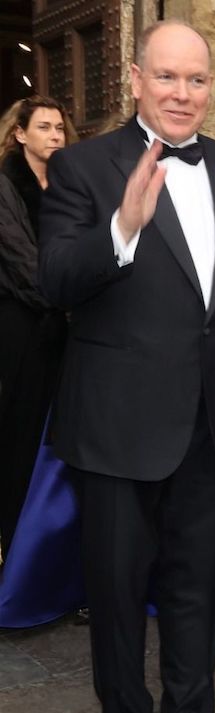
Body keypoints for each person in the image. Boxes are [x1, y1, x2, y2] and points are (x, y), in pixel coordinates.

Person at [38, 20, 215, 713]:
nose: (182, 93)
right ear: (135, 79)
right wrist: (122, 229)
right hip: (118, 426)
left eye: (196, 79)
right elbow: (54, 280)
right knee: (119, 595)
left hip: (212, 423)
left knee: (201, 592)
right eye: (167, 76)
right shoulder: (83, 166)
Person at [0, 95, 83, 627]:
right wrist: (74, 298)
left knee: (63, 452)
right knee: (22, 445)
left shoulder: (70, 187)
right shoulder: (5, 187)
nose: (55, 135)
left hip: (68, 331)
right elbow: (21, 262)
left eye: (59, 128)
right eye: (44, 127)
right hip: (23, 332)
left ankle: (60, 570)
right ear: (20, 134)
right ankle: (17, 571)